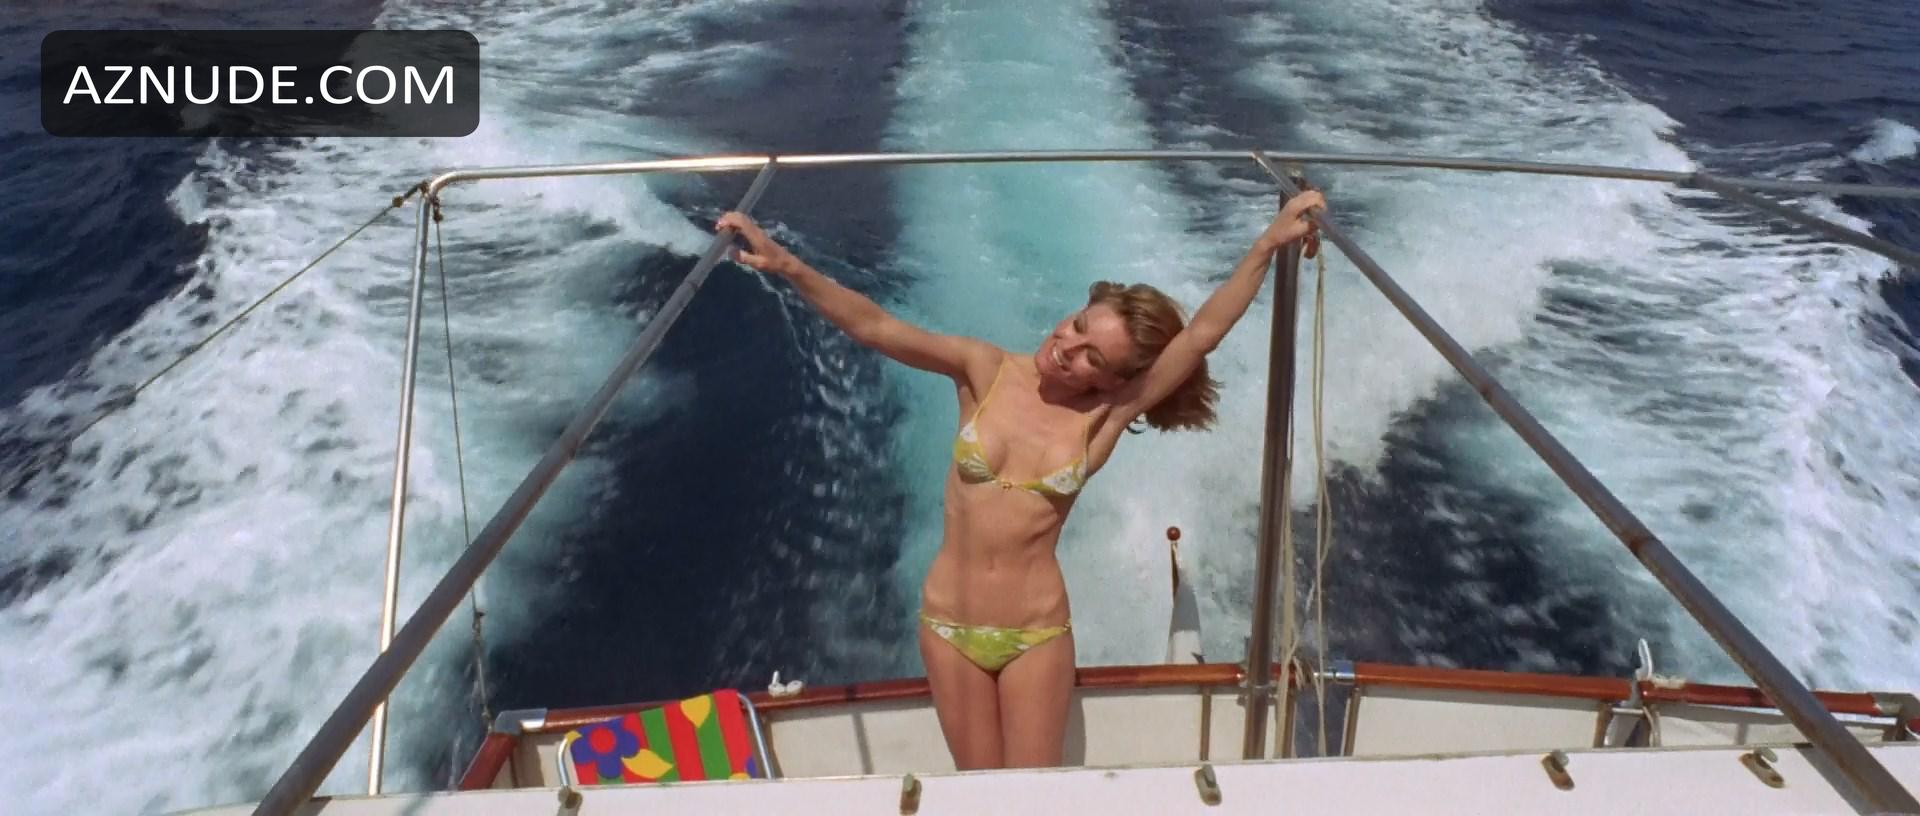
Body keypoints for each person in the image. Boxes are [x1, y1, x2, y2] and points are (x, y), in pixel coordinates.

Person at [715, 189, 1326, 770]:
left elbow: (1200, 336)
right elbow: (876, 327)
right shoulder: (982, 369)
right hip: (948, 627)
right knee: (982, 792)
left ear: (1112, 381)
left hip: (1035, 633)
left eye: (1092, 357)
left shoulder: (1105, 416)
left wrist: (1265, 245)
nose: (1067, 346)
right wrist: (788, 265)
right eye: (1078, 325)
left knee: (1030, 794)